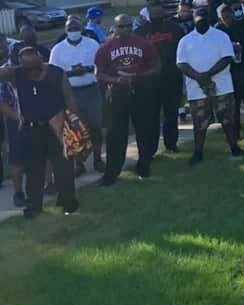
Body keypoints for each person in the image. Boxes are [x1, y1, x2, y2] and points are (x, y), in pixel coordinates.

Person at [0, 47, 80, 218]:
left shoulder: (56, 73)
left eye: (32, 63)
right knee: (34, 171)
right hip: (31, 129)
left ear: (40, 59)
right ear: (20, 63)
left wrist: (74, 120)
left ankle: (69, 204)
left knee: (64, 168)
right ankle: (34, 207)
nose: (30, 70)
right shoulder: (17, 74)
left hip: (56, 127)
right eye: (25, 64)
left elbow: (69, 97)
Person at [94, 14, 160, 183]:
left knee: (144, 130)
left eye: (129, 25)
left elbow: (156, 66)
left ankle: (144, 167)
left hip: (141, 91)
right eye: (122, 26)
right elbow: (98, 74)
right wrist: (117, 80)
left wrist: (140, 76)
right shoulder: (105, 48)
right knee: (116, 134)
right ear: (115, 28)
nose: (126, 29)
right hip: (117, 95)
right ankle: (112, 173)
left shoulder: (144, 44)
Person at [176, 7, 244, 163]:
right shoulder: (185, 40)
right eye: (199, 19)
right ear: (193, 19)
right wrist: (198, 77)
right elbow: (181, 63)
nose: (202, 22)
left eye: (205, 19)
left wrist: (208, 74)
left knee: (228, 120)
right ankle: (198, 152)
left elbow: (227, 57)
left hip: (222, 86)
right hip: (197, 89)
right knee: (199, 123)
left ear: (211, 18)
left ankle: (234, 147)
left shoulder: (221, 36)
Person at [50, 16, 105, 174]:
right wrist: (72, 72)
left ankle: (97, 159)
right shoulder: (58, 49)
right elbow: (54, 75)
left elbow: (100, 65)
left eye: (76, 28)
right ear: (66, 31)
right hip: (70, 93)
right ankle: (78, 164)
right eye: (70, 29)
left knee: (95, 127)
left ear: (82, 29)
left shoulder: (92, 44)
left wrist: (87, 70)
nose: (74, 31)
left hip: (91, 90)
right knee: (75, 129)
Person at [136, 1, 186, 154]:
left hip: (172, 79)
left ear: (163, 13)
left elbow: (183, 51)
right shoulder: (140, 32)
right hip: (149, 82)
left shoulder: (175, 29)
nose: (156, 17)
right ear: (149, 14)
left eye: (159, 14)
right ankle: (151, 149)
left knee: (171, 114)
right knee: (152, 116)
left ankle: (171, 144)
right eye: (153, 14)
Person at [216, 4, 244, 138]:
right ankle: (236, 132)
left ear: (233, 15)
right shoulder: (218, 30)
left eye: (228, 16)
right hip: (229, 71)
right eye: (223, 17)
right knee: (233, 103)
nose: (226, 19)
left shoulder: (243, 25)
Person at [0, 38, 26, 207]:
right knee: (17, 159)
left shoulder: (37, 71)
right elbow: (1, 103)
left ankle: (49, 184)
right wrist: (19, 118)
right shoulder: (3, 73)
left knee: (44, 155)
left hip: (39, 119)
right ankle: (18, 193)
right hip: (15, 122)